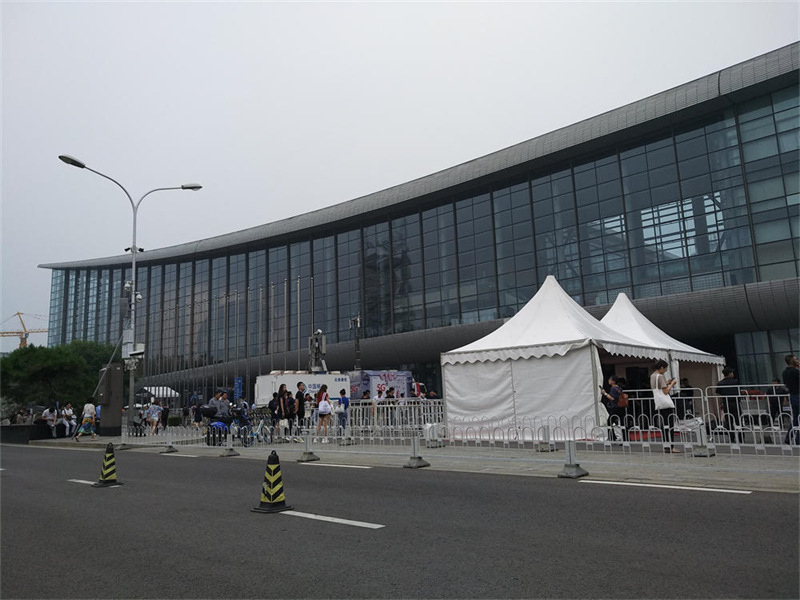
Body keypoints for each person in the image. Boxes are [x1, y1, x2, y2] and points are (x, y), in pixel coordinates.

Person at [650, 360, 680, 453]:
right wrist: (672, 384)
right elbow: (665, 391)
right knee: (670, 425)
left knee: (664, 425)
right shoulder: (660, 376)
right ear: (662, 368)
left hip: (659, 402)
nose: (666, 370)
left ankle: (666, 445)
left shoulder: (653, 375)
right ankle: (671, 446)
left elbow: (658, 387)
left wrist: (666, 383)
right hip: (665, 403)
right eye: (665, 368)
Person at [716, 367, 742, 444]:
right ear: (730, 374)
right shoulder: (735, 382)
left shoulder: (720, 383)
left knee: (729, 421)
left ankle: (732, 438)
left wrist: (720, 404)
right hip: (735, 402)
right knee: (738, 420)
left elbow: (719, 396)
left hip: (726, 403)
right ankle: (741, 438)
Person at [600, 375, 627, 442]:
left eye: (610, 379)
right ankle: (625, 438)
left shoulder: (613, 388)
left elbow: (612, 398)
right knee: (622, 423)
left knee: (609, 422)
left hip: (615, 407)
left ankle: (612, 438)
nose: (608, 380)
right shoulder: (619, 388)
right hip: (621, 407)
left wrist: (605, 393)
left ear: (613, 381)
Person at [782, 354, 800, 445]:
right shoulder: (796, 371)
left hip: (793, 396)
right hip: (798, 395)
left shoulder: (785, 372)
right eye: (795, 359)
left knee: (796, 418)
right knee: (798, 418)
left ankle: (788, 438)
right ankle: (798, 439)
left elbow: (785, 384)